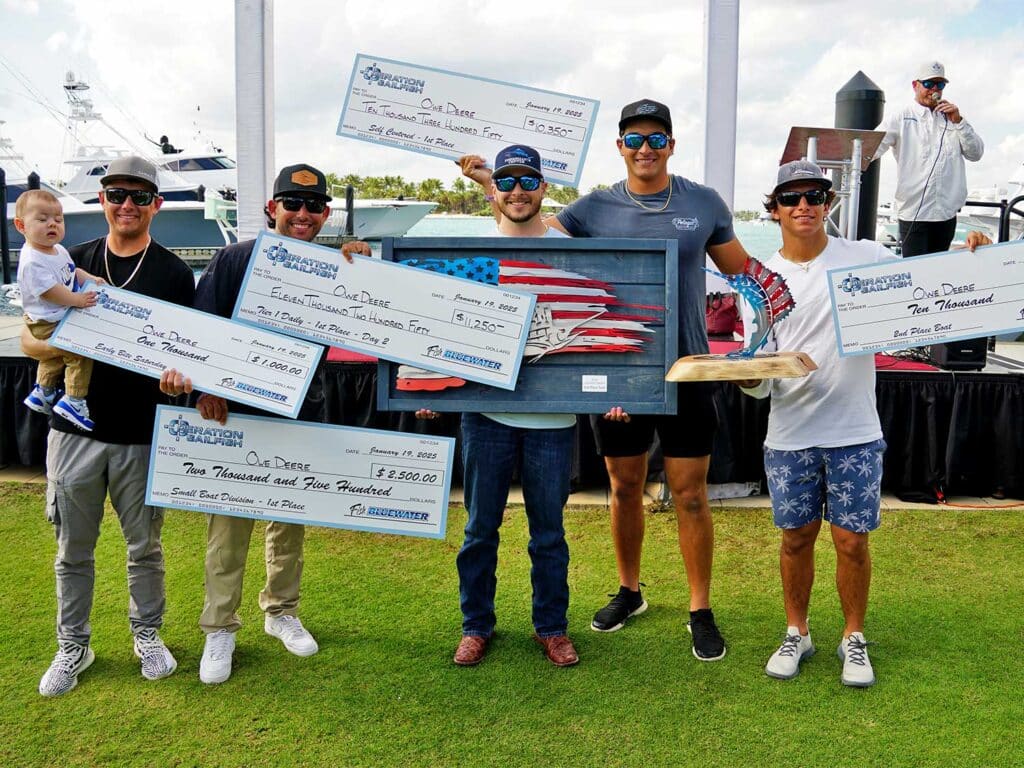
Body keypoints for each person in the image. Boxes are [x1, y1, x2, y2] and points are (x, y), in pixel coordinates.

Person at [468, 99, 749, 659]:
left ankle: (700, 607)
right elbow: (525, 234)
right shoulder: (591, 208)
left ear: (672, 144)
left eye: (656, 139)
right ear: (619, 146)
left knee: (691, 496)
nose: (646, 149)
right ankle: (630, 590)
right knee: (623, 488)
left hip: (689, 367)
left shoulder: (704, 202)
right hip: (620, 371)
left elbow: (747, 271)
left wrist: (804, 293)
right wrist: (487, 185)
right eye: (635, 139)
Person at [738, 160, 991, 687]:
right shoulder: (759, 281)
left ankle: (853, 637)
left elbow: (930, 284)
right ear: (775, 208)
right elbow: (761, 373)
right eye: (791, 197)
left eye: (814, 195)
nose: (803, 205)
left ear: (828, 203)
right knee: (795, 539)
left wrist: (972, 259)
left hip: (855, 431)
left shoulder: (868, 257)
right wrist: (745, 378)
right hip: (790, 434)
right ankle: (797, 631)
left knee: (852, 541)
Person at [159, 163, 337, 685]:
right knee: (228, 527)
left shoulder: (334, 268)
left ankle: (281, 611)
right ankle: (220, 626)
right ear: (272, 209)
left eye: (312, 206)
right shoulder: (235, 258)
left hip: (301, 408)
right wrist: (205, 388)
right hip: (233, 413)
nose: (302, 214)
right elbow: (202, 325)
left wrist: (361, 264)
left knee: (289, 516)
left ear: (325, 213)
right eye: (292, 204)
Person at [35, 156, 195, 697]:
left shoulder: (173, 273)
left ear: (156, 204)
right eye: (115, 194)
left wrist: (180, 383)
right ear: (101, 200)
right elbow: (33, 338)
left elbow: (183, 356)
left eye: (138, 195)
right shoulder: (68, 259)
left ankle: (147, 634)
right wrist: (68, 341)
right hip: (73, 433)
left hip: (141, 436)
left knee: (144, 548)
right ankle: (73, 645)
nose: (126, 204)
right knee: (71, 551)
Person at [414, 145, 579, 667]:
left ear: (543, 189)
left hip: (555, 419)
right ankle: (476, 625)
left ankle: (550, 626)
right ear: (496, 191)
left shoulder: (571, 246)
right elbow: (431, 316)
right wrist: (422, 379)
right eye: (506, 183)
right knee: (480, 529)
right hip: (485, 414)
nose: (517, 192)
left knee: (548, 533)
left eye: (527, 182)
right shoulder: (470, 249)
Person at [873, 60, 984, 257]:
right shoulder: (900, 117)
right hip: (914, 213)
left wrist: (959, 122)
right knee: (915, 273)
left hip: (946, 214)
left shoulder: (954, 118)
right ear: (915, 85)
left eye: (940, 85)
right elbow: (871, 148)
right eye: (928, 84)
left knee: (938, 272)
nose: (934, 89)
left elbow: (976, 154)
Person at [15, 190, 104, 431]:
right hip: (46, 319)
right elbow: (49, 291)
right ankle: (74, 399)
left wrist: (91, 278)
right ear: (21, 225)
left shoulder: (58, 250)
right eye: (42, 220)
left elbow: (71, 272)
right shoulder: (32, 260)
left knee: (54, 357)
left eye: (58, 219)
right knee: (79, 353)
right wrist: (76, 299)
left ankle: (43, 391)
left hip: (54, 315)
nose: (52, 224)